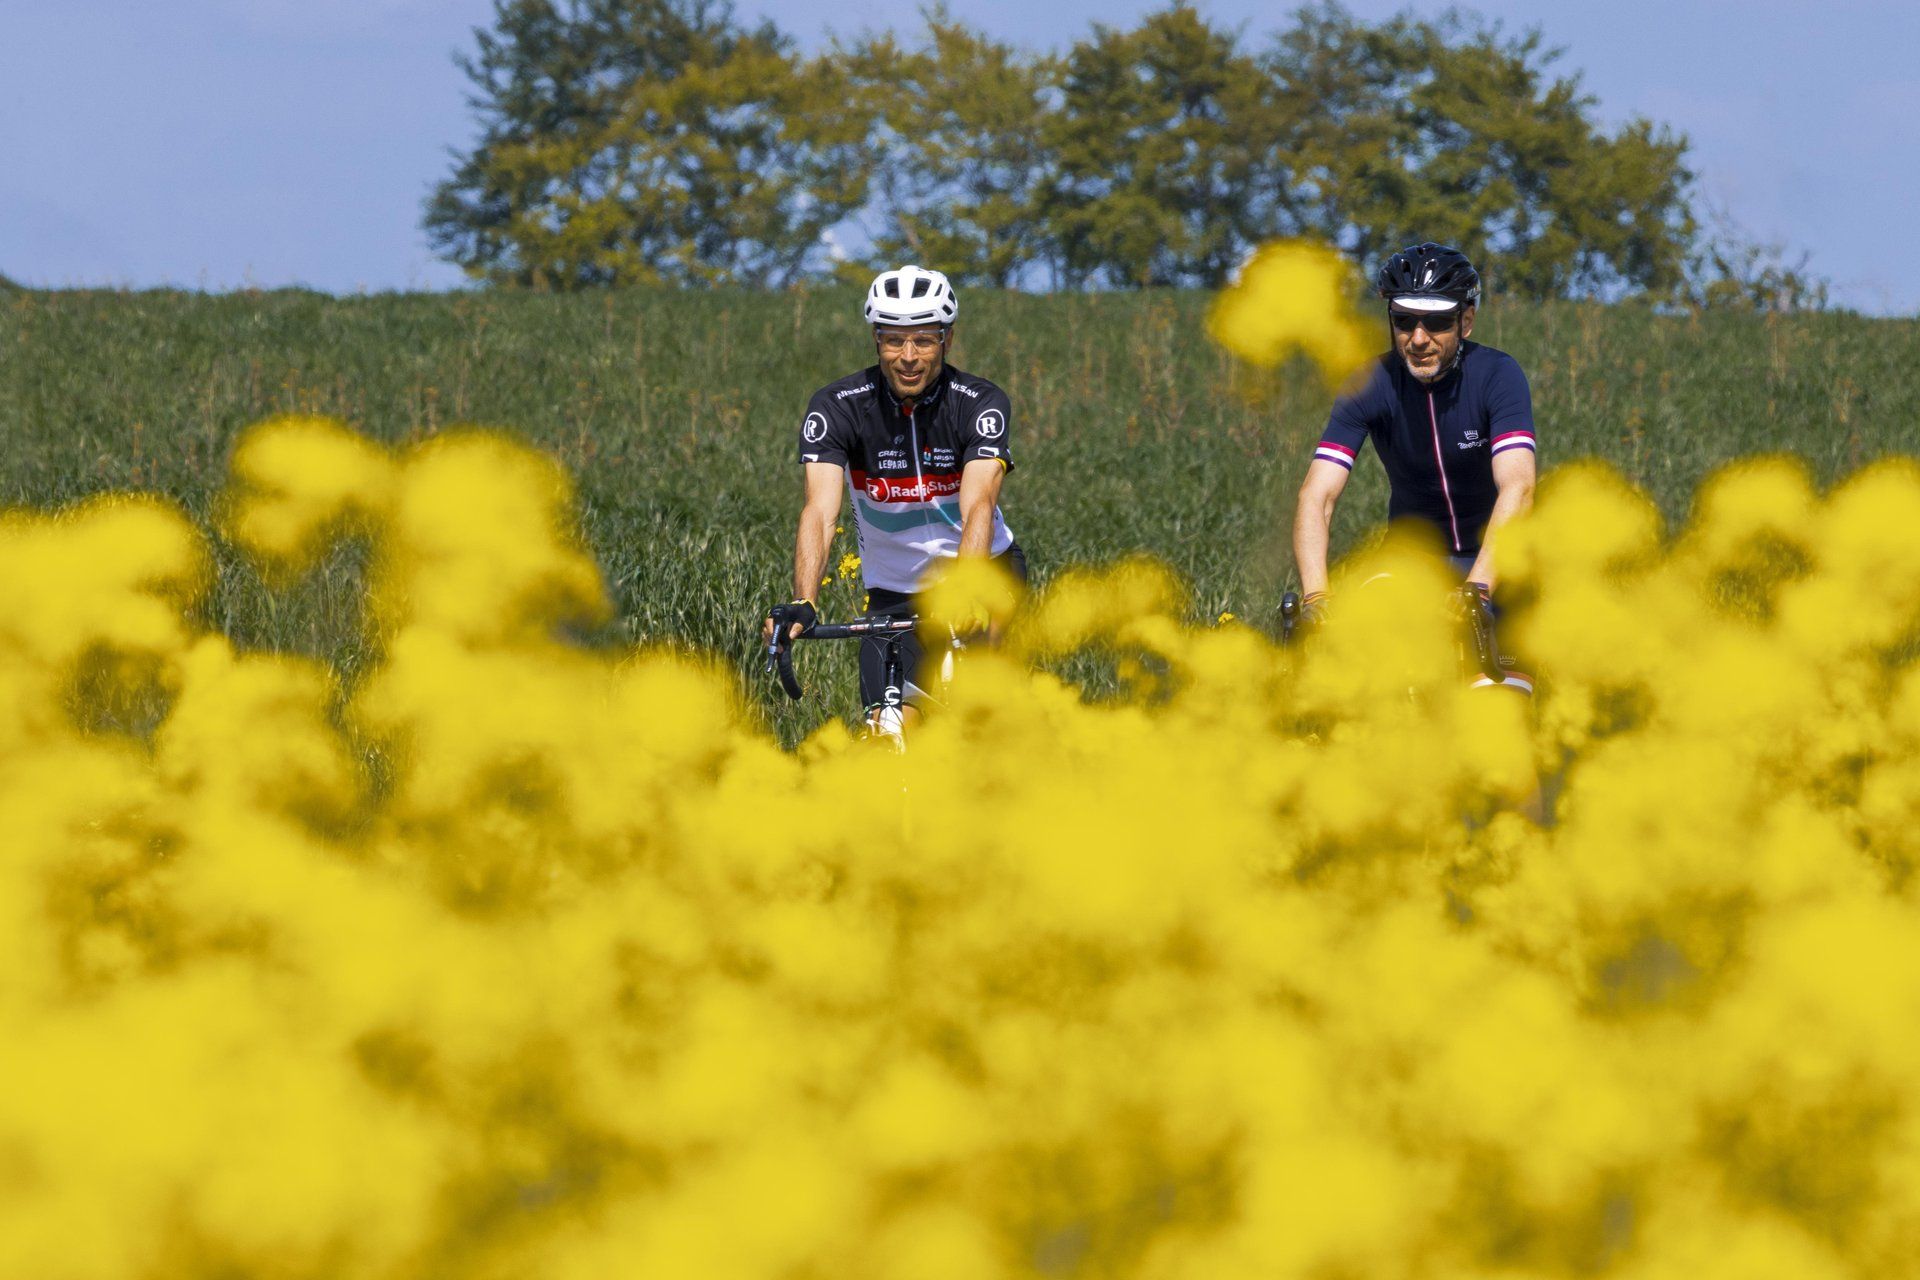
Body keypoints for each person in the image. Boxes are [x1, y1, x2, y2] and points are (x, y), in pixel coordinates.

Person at [764, 265, 1024, 736]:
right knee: (888, 732)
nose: (908, 356)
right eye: (893, 341)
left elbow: (979, 504)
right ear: (875, 341)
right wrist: (804, 599)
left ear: (946, 339)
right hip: (894, 594)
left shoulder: (978, 402)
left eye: (923, 341)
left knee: (984, 720)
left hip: (983, 574)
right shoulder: (838, 405)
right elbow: (820, 511)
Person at [1292, 242, 1536, 692]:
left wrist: (1478, 589)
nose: (1418, 338)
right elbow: (1317, 496)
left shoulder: (1497, 375)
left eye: (1437, 322)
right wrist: (1316, 597)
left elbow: (1518, 487)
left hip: (1497, 564)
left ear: (1466, 320)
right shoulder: (1368, 385)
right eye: (1404, 321)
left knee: (1499, 716)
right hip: (1412, 564)